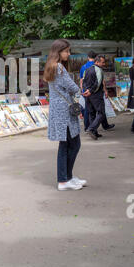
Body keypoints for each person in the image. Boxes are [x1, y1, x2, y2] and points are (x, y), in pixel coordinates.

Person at [44, 39, 86, 191]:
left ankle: (67, 177)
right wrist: (80, 90)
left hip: (59, 111)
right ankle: (63, 180)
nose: (69, 54)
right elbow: (73, 87)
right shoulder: (59, 68)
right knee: (72, 144)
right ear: (59, 51)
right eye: (66, 51)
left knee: (67, 144)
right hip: (64, 112)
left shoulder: (51, 66)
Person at [80, 52, 114, 133]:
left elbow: (82, 81)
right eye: (103, 62)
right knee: (101, 113)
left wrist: (85, 90)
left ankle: (94, 132)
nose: (104, 64)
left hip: (88, 95)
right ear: (97, 61)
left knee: (91, 113)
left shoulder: (85, 68)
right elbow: (99, 82)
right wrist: (91, 91)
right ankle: (91, 128)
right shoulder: (99, 70)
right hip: (96, 95)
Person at [127, 56, 134, 133]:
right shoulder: (131, 69)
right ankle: (133, 127)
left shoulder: (131, 69)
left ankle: (133, 126)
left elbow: (131, 79)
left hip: (133, 88)